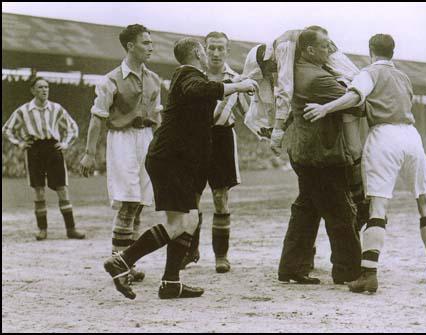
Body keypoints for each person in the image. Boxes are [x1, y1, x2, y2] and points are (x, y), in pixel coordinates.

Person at [102, 37, 258, 299]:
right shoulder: (188, 74)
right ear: (198, 52)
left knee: (190, 219)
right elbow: (201, 89)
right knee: (180, 223)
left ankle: (171, 282)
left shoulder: (190, 78)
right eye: (205, 50)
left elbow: (204, 93)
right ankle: (123, 260)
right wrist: (240, 85)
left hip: (177, 160)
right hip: (170, 161)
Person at [302, 34, 426, 293]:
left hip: (385, 135)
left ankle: (369, 274)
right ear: (393, 51)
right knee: (423, 200)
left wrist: (325, 108)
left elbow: (355, 97)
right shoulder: (404, 77)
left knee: (378, 205)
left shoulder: (370, 72)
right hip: (411, 137)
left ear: (371, 50)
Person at [278, 28, 363, 285]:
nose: (330, 50)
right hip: (321, 155)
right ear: (309, 50)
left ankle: (292, 267)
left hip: (305, 152)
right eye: (325, 46)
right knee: (341, 212)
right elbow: (358, 103)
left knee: (307, 210)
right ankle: (348, 271)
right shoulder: (318, 79)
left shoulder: (300, 72)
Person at [79, 24, 162, 283]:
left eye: (150, 42)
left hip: (146, 138)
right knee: (127, 201)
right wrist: (89, 153)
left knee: (138, 205)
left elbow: (157, 117)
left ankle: (128, 261)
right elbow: (97, 119)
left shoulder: (154, 79)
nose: (150, 47)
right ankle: (119, 264)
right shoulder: (111, 79)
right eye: (146, 42)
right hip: (122, 139)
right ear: (130, 46)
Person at [181, 31, 250, 273]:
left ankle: (221, 255)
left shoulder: (236, 79)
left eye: (221, 48)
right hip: (196, 139)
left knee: (220, 197)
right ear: (204, 50)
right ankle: (190, 250)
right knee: (192, 199)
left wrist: (269, 131)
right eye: (212, 48)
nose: (216, 53)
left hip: (222, 139)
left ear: (228, 51)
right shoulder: (194, 75)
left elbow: (247, 113)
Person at [2, 77, 85, 241]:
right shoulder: (23, 111)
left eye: (46, 87)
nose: (44, 90)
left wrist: (66, 143)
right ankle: (42, 230)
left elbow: (73, 127)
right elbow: (7, 129)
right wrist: (19, 143)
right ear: (32, 90)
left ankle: (71, 229)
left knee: (62, 188)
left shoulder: (56, 108)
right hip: (35, 150)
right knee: (38, 190)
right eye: (40, 87)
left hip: (53, 149)